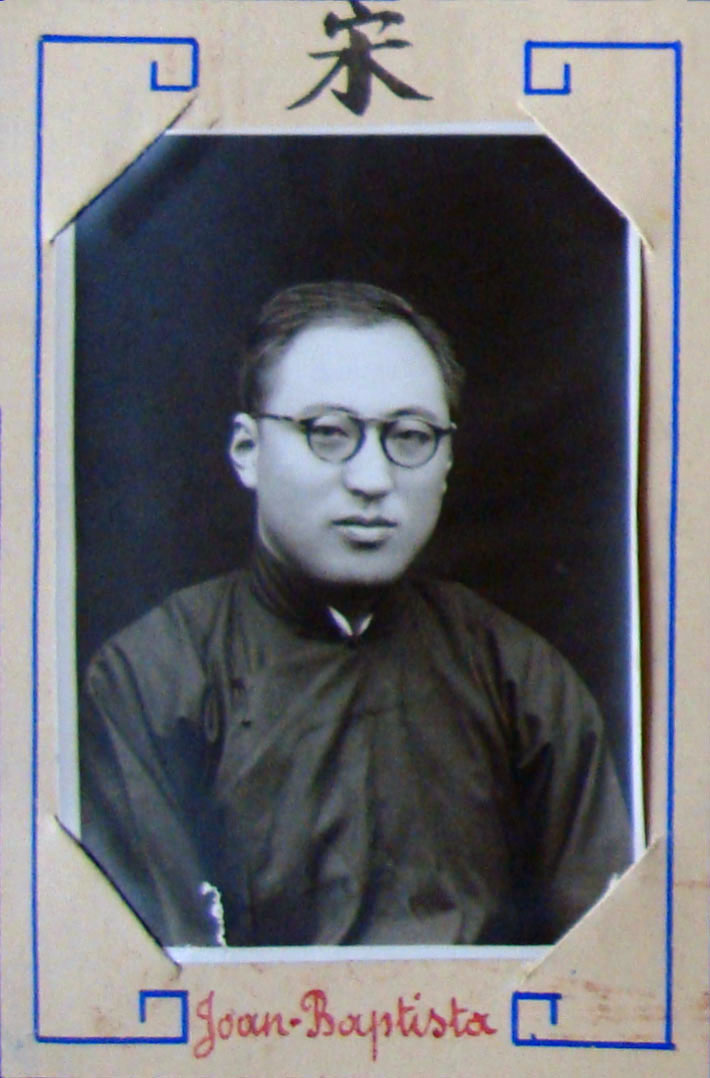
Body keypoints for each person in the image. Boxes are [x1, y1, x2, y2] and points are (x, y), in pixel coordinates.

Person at [79, 281, 631, 949]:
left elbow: (606, 965)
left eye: (410, 436)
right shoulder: (152, 680)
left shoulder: (521, 680)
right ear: (247, 451)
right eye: (329, 433)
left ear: (447, 460)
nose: (372, 479)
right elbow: (152, 975)